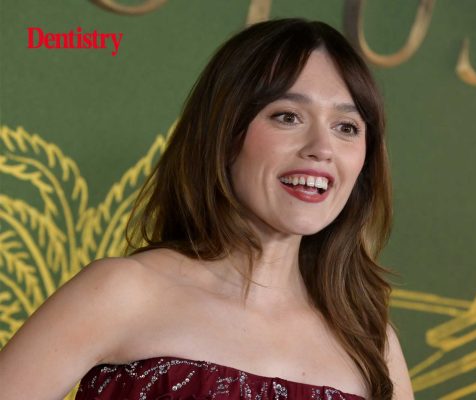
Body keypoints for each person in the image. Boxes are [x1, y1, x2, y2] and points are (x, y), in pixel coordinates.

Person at [0, 18, 413, 400]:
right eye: (287, 117)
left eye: (347, 127)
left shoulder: (370, 341)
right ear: (224, 134)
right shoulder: (122, 293)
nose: (322, 149)